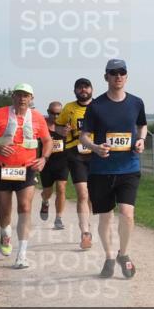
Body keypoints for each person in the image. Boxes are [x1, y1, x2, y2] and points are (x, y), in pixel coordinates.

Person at [80, 60, 147, 279]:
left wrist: (141, 140)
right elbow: (84, 136)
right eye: (113, 73)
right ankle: (109, 256)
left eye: (122, 72)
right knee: (106, 218)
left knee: (127, 214)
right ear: (106, 77)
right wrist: (95, 148)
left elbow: (142, 125)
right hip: (101, 170)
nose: (118, 76)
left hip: (128, 167)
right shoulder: (95, 106)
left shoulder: (136, 103)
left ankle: (124, 254)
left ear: (126, 76)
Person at [0, 84, 53, 269]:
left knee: (25, 207)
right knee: (4, 213)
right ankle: (5, 233)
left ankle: (22, 254)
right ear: (13, 97)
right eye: (19, 95)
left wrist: (44, 158)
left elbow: (47, 140)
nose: (22, 98)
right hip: (1, 168)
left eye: (26, 95)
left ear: (31, 98)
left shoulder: (37, 118)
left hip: (27, 169)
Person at [58, 78, 96, 250]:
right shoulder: (69, 108)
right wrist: (62, 131)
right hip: (75, 153)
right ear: (75, 90)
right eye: (79, 87)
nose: (83, 90)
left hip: (96, 153)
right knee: (82, 193)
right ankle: (85, 233)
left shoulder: (100, 106)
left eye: (86, 87)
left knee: (92, 196)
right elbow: (57, 127)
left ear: (91, 89)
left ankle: (88, 222)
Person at [38, 101, 69, 230]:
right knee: (47, 191)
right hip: (46, 162)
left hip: (62, 162)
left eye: (58, 113)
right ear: (48, 111)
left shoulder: (66, 126)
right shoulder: (42, 125)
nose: (55, 116)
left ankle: (58, 218)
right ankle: (45, 202)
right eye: (52, 113)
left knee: (61, 188)